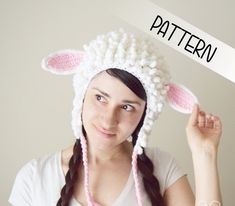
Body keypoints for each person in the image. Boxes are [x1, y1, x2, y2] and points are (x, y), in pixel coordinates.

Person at [9, 29, 223, 206]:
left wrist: (205, 153)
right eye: (100, 98)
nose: (109, 119)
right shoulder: (34, 178)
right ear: (82, 96)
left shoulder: (164, 169)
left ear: (144, 115)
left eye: (127, 107)